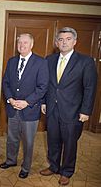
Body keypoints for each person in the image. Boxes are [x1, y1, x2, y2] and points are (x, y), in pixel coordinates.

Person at [40, 27, 97, 186]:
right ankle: (53, 166)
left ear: (75, 41)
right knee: (52, 140)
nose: (64, 42)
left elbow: (90, 88)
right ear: (57, 42)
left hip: (73, 111)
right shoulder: (49, 59)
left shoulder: (86, 61)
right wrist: (44, 101)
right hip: (52, 109)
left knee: (70, 142)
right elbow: (46, 84)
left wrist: (86, 111)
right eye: (61, 39)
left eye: (68, 39)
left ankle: (66, 171)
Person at [0, 33, 49, 179]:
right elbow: (6, 83)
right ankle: (11, 160)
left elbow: (43, 86)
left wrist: (27, 102)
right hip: (12, 107)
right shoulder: (12, 61)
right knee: (12, 138)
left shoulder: (41, 62)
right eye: (19, 42)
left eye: (25, 43)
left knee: (28, 141)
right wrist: (9, 99)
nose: (22, 45)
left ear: (32, 44)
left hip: (30, 109)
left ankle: (26, 167)